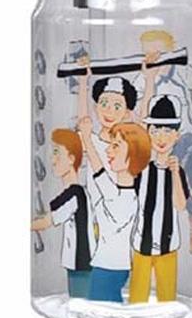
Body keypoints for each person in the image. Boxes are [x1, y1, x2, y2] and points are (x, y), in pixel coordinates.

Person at [136, 29, 192, 249]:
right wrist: (149, 79)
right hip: (162, 143)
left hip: (188, 137)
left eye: (158, 53)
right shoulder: (143, 79)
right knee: (175, 183)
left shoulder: (181, 71)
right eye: (147, 53)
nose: (153, 58)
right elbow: (141, 114)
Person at [77, 117, 150, 303]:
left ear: (133, 154)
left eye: (116, 146)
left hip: (109, 268)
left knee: (101, 305)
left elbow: (98, 170)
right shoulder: (125, 195)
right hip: (112, 266)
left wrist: (87, 138)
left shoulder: (120, 198)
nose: (108, 150)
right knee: (108, 303)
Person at [128, 95, 190, 303]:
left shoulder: (177, 171)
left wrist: (175, 173)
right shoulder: (142, 170)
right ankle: (135, 313)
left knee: (167, 294)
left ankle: (168, 309)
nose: (161, 138)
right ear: (148, 133)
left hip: (168, 243)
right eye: (155, 131)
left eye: (167, 132)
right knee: (137, 293)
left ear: (176, 135)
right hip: (142, 242)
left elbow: (180, 205)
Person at [31, 128, 95, 298]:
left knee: (80, 301)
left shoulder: (74, 194)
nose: (52, 160)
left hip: (80, 262)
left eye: (57, 153)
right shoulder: (79, 192)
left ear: (71, 159)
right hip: (82, 262)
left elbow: (46, 222)